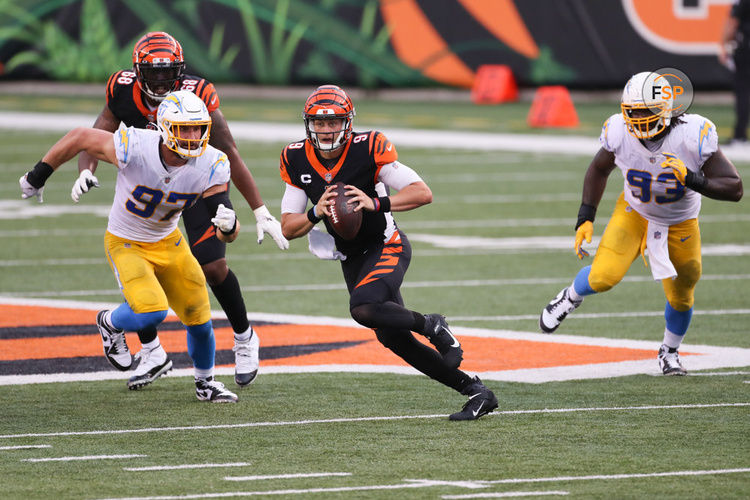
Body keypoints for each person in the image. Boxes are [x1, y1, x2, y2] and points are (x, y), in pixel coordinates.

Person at [71, 31, 288, 388]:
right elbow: (98, 133)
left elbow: (228, 149)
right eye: (152, 72)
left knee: (213, 265)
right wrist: (85, 170)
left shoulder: (197, 93)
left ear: (181, 69)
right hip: (152, 184)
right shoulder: (123, 89)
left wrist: (260, 210)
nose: (160, 79)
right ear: (137, 71)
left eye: (166, 71)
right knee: (141, 260)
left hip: (196, 178)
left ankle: (245, 337)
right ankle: (153, 352)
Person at [278, 85, 497, 420]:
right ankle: (477, 392)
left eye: (333, 122)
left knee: (363, 307)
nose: (326, 130)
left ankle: (433, 325)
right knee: (394, 338)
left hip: (386, 244)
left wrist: (375, 202)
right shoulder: (295, 158)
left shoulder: (368, 148)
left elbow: (422, 193)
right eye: (318, 124)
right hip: (351, 256)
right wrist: (314, 213)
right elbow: (288, 228)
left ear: (347, 122)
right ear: (308, 125)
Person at [20, 90, 241, 402]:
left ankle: (205, 383)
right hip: (127, 242)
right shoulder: (135, 145)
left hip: (169, 241)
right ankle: (109, 322)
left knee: (199, 316)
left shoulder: (213, 163)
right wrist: (38, 174)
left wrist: (229, 227)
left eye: (197, 128)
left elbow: (226, 233)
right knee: (151, 312)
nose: (192, 137)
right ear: (164, 128)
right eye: (183, 128)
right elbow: (81, 136)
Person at [539, 72, 743, 375]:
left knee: (683, 292)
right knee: (603, 277)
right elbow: (597, 169)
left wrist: (691, 177)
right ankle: (570, 296)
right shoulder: (619, 130)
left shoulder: (692, 134)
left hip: (680, 222)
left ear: (665, 109)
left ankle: (669, 351)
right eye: (632, 111)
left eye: (644, 110)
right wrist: (586, 217)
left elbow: (734, 188)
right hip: (634, 213)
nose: (636, 117)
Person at [719, 0, 750, 145]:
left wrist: (724, 46)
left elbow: (732, 23)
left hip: (746, 50)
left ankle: (740, 134)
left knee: (743, 91)